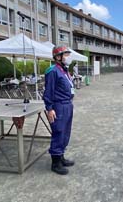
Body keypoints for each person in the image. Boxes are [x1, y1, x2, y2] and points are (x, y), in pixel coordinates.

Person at [44, 46, 76, 175]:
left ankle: (61, 157)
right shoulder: (52, 71)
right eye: (66, 55)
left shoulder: (64, 70)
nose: (68, 57)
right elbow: (48, 91)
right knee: (58, 132)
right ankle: (55, 163)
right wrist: (49, 108)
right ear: (58, 57)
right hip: (58, 106)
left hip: (68, 104)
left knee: (65, 133)